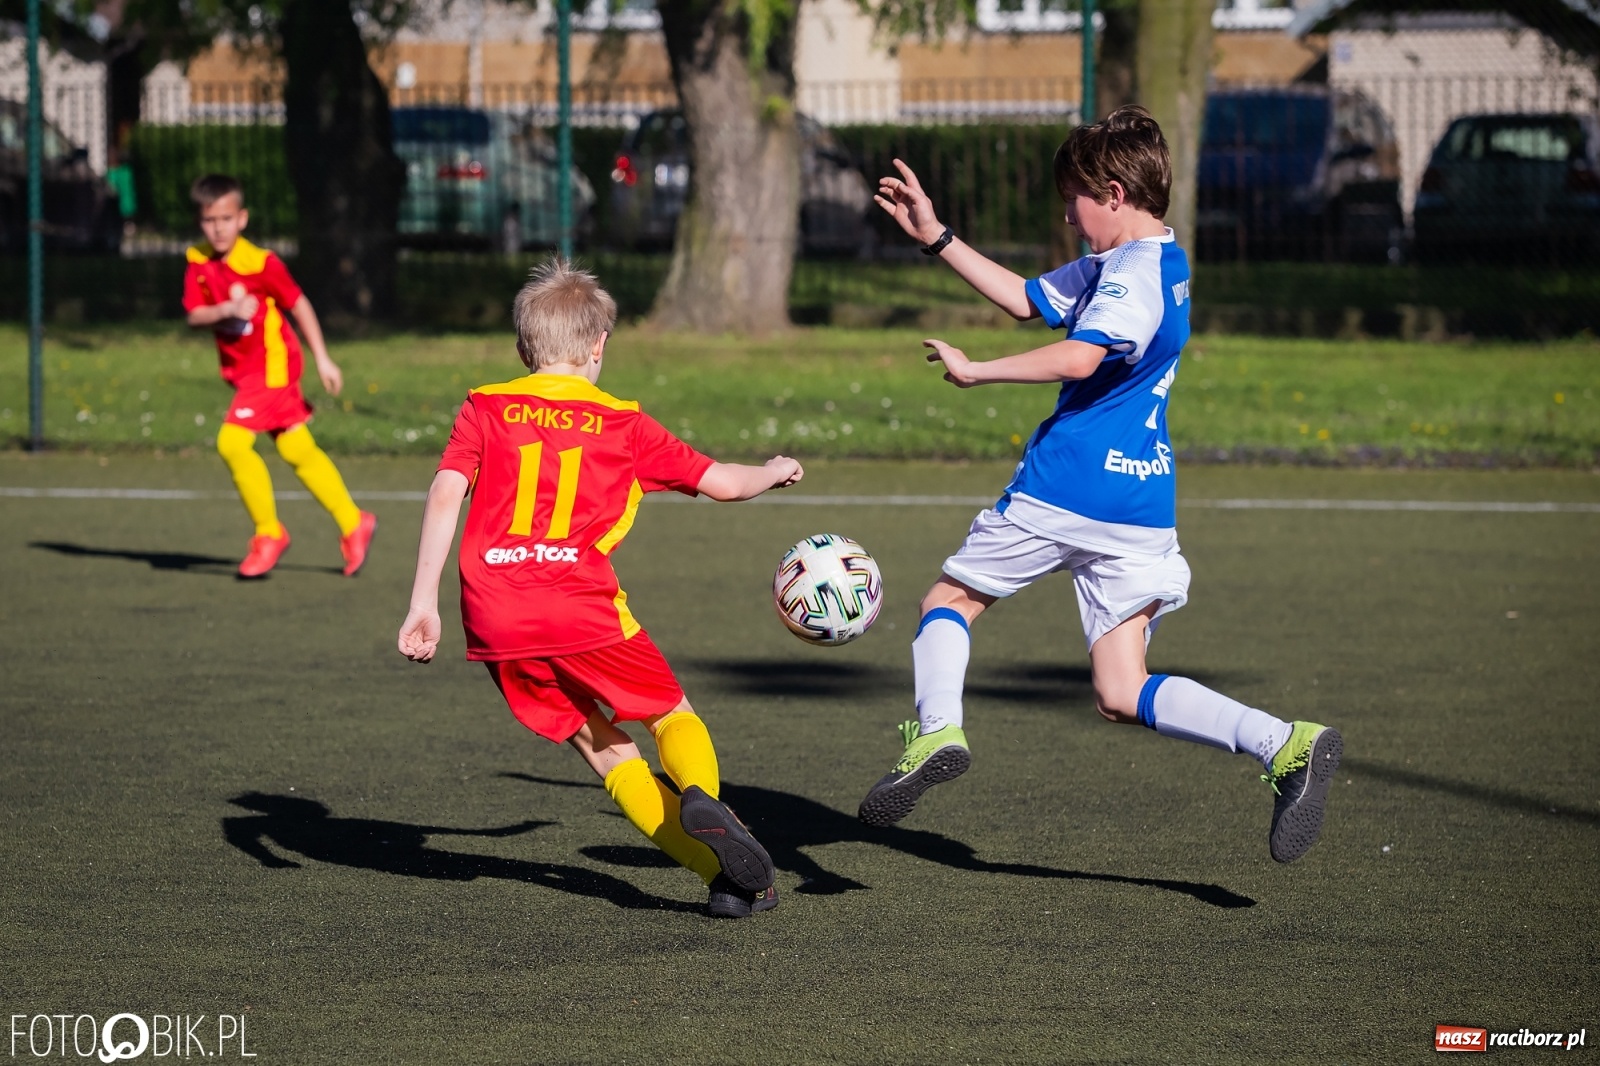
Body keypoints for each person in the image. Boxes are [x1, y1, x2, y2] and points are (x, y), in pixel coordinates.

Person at [857, 106, 1341, 863]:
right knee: (1121, 689)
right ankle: (1285, 744)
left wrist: (977, 370)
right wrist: (938, 237)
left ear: (1113, 193)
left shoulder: (1133, 277)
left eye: (1075, 198)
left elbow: (1081, 360)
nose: (1067, 213)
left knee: (947, 603)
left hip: (1068, 486)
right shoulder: (1150, 262)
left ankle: (939, 730)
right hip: (1141, 502)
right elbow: (1027, 299)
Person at [397, 260, 803, 916]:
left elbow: (447, 492)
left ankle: (726, 880)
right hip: (579, 604)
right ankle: (701, 794)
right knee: (671, 715)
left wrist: (423, 603)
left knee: (604, 748)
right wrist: (774, 468)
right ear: (598, 345)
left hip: (494, 613)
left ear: (525, 348)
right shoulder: (623, 423)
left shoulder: (485, 406)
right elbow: (723, 484)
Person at [182, 173, 376, 579]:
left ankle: (268, 534)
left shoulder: (261, 263)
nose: (217, 228)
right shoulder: (197, 262)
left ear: (242, 218)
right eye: (209, 220)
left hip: (273, 368)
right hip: (245, 373)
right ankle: (352, 521)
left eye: (226, 218)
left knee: (232, 442)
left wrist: (323, 358)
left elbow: (299, 304)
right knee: (295, 449)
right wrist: (225, 311)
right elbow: (194, 314)